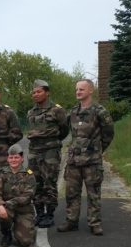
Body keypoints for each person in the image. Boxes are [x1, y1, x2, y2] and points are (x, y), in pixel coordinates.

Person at [57, 78, 115, 236]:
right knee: (71, 193)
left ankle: (94, 223)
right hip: (74, 161)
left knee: (93, 193)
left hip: (92, 161)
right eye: (76, 89)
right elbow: (65, 131)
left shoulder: (100, 111)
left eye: (81, 89)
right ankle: (71, 221)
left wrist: (97, 150)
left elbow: (108, 133)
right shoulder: (73, 112)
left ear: (90, 90)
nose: (78, 92)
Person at [26, 79, 69, 228]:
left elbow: (64, 130)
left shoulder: (57, 110)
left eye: (39, 92)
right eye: (34, 92)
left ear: (47, 93)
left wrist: (53, 142)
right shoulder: (31, 112)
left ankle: (49, 214)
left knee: (49, 183)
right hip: (34, 152)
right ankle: (39, 213)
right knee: (35, 182)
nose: (35, 94)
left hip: (50, 152)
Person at [0, 143, 37, 247]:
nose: (13, 160)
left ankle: (23, 226)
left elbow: (27, 196)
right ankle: (6, 233)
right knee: (0, 211)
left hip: (23, 210)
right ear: (7, 159)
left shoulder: (28, 174)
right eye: (11, 157)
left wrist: (7, 203)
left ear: (22, 159)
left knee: (25, 242)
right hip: (7, 209)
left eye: (16, 157)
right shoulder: (2, 173)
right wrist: (0, 205)